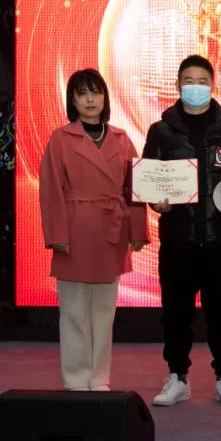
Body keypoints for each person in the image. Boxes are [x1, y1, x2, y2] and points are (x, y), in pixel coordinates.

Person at [145, 54, 221, 407]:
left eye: (202, 81)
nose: (195, 87)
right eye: (189, 81)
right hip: (177, 238)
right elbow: (148, 178)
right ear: (178, 85)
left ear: (213, 85)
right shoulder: (161, 130)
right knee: (175, 312)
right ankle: (177, 377)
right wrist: (156, 202)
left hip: (219, 237)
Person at [39, 68, 148, 391]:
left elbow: (134, 189)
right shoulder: (60, 139)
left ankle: (99, 378)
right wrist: (57, 236)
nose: (90, 100)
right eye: (82, 93)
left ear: (105, 97)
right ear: (72, 100)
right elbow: (50, 191)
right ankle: (75, 379)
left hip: (111, 233)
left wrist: (137, 232)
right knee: (73, 311)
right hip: (74, 232)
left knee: (104, 311)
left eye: (96, 92)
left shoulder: (121, 139)